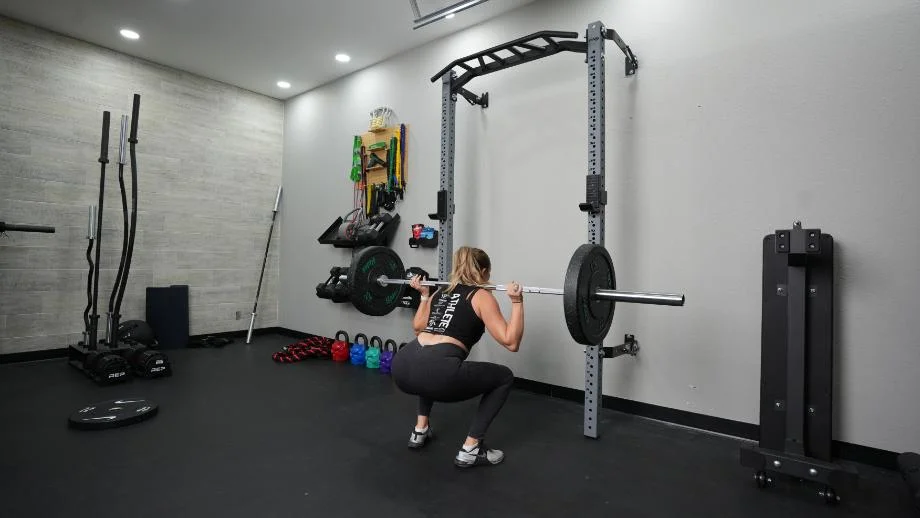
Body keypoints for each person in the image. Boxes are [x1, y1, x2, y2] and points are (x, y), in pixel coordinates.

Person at [390, 246, 524, 468]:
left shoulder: (441, 292)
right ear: (483, 271)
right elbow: (511, 342)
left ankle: (420, 429)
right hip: (438, 371)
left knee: (429, 366)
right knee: (504, 377)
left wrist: (424, 296)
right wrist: (517, 303)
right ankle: (471, 448)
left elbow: (417, 329)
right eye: (488, 273)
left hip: (403, 365)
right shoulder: (481, 296)